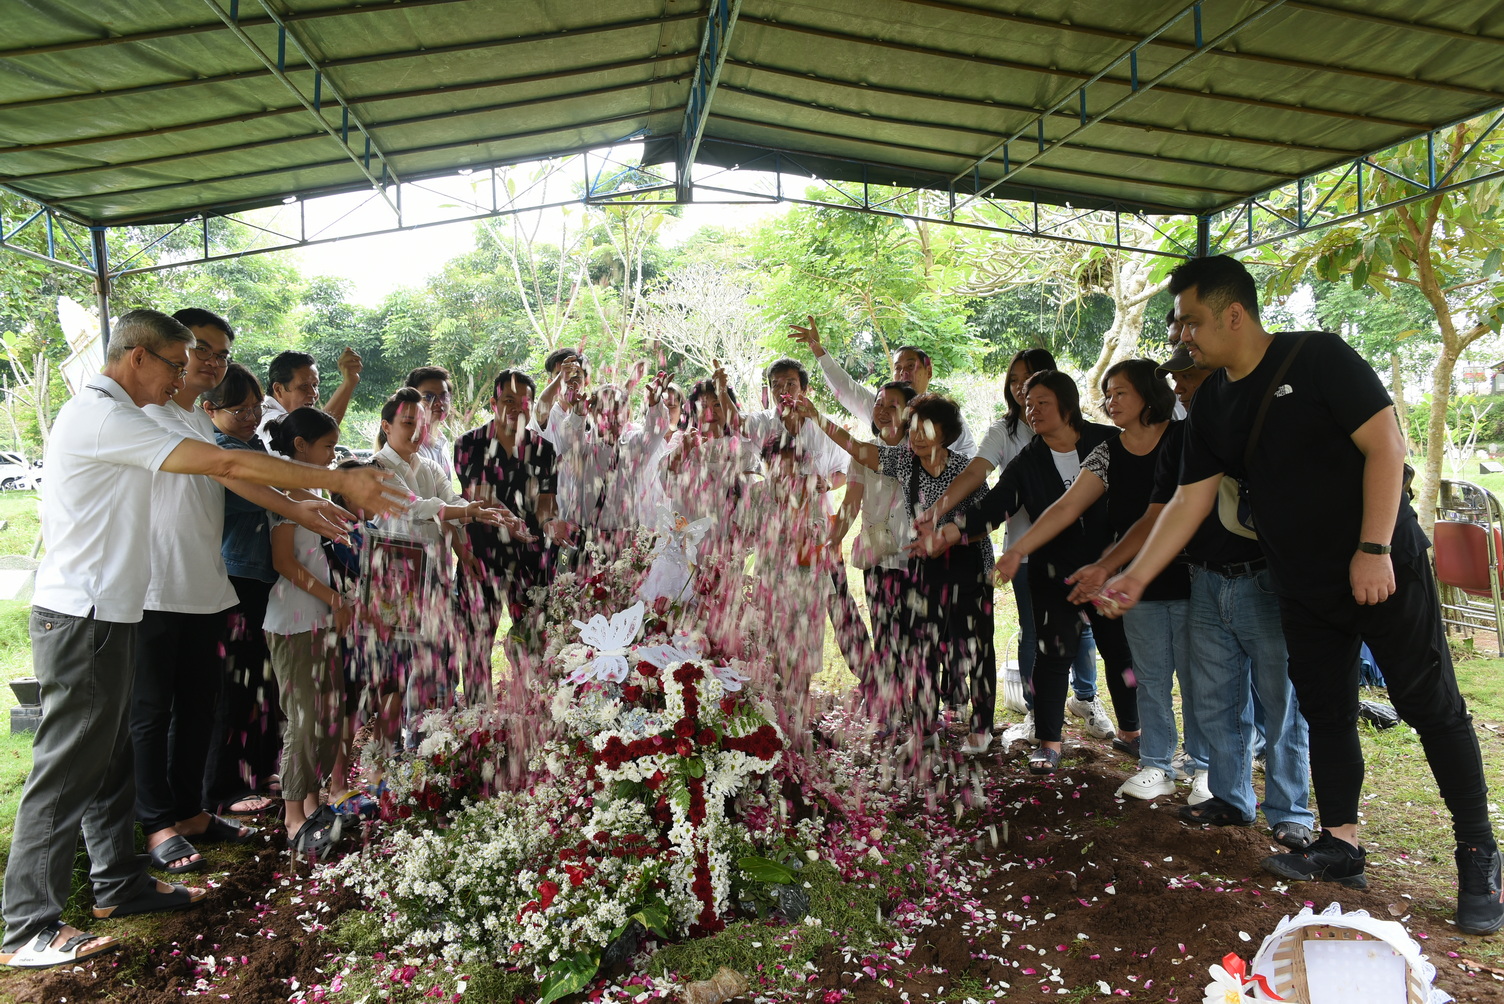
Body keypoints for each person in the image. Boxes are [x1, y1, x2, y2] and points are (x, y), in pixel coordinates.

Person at [1099, 254, 1502, 935]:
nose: (1181, 336)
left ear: (1233, 314)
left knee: (1429, 704)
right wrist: (1137, 574)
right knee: (1326, 709)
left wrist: (1373, 549)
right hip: (1302, 582)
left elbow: (1387, 446)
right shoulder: (1213, 402)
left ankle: (1479, 853)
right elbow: (1189, 501)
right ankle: (1340, 844)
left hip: (1384, 567)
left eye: (1190, 321)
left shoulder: (1319, 358)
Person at [0, 309, 399, 969]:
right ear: (138, 357)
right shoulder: (103, 415)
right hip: (81, 615)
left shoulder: (135, 412)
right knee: (68, 767)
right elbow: (224, 460)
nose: (185, 375)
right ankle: (27, 926)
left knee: (113, 759)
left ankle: (117, 883)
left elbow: (229, 471)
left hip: (113, 611)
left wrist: (305, 505)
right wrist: (337, 479)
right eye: (175, 362)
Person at [136, 310, 357, 876]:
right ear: (164, 352)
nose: (212, 362)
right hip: (155, 588)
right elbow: (237, 471)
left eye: (222, 354)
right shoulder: (147, 416)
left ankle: (193, 811)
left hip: (207, 588)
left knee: (201, 705)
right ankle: (158, 822)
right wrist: (328, 487)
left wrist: (308, 502)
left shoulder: (193, 420)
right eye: (200, 351)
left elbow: (249, 477)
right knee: (155, 713)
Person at [1068, 343, 1313, 848]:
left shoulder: (1256, 420)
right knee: (1217, 697)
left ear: (1222, 374)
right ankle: (1231, 796)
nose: (1179, 386)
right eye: (1175, 378)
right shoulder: (1182, 440)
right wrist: (1118, 569)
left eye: (1189, 376)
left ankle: (1290, 810)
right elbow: (1158, 514)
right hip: (1205, 579)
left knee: (1281, 700)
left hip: (1264, 577)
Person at [987, 360, 1206, 801]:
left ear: (1148, 395)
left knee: (1196, 675)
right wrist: (1017, 550)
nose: (1110, 401)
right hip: (1120, 579)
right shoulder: (1108, 450)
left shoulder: (1182, 439)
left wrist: (1107, 566)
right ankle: (1155, 762)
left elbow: (1160, 515)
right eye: (1107, 394)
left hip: (1184, 572)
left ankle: (1201, 766)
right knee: (1146, 674)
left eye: (1120, 392)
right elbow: (1067, 507)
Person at [920, 370, 1139, 774]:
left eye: (1042, 402)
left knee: (1119, 649)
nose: (1032, 410)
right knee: (1052, 655)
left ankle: (1131, 732)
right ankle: (1050, 742)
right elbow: (994, 506)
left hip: (1109, 567)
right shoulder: (1028, 460)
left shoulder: (1108, 441)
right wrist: (949, 532)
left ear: (1067, 405)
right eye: (1027, 403)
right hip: (1052, 571)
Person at [805, 393, 995, 753]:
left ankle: (981, 728)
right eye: (913, 428)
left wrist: (950, 536)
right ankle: (924, 730)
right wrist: (817, 417)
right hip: (926, 565)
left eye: (926, 428)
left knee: (975, 646)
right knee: (924, 650)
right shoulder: (905, 462)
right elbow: (859, 449)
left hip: (970, 566)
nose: (917, 436)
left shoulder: (964, 469)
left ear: (945, 433)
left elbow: (986, 521)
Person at [372, 387, 520, 713]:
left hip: (435, 577)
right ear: (386, 426)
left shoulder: (428, 466)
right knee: (400, 672)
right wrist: (472, 512)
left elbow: (453, 501)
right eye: (408, 423)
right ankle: (402, 739)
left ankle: (437, 731)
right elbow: (414, 507)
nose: (416, 432)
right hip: (398, 582)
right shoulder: (377, 467)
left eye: (421, 424)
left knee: (440, 662)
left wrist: (485, 510)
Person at [201, 363, 282, 816]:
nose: (252, 418)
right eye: (240, 410)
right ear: (209, 409)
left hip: (262, 577)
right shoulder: (218, 450)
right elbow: (258, 492)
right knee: (235, 684)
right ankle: (221, 787)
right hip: (236, 578)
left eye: (256, 409)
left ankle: (260, 767)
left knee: (263, 681)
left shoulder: (254, 444)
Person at [454, 369, 565, 690]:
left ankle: (532, 706)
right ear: (494, 404)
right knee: (476, 643)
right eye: (508, 401)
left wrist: (551, 522)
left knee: (534, 641)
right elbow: (480, 496)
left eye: (524, 402)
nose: (517, 408)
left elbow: (546, 503)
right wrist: (511, 521)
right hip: (481, 557)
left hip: (531, 559)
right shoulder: (469, 444)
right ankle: (476, 714)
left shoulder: (543, 449)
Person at [832, 380, 919, 711]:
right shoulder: (863, 452)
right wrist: (832, 540)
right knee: (883, 632)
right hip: (876, 557)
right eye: (879, 403)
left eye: (892, 405)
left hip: (915, 558)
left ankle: (917, 707)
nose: (882, 410)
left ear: (909, 412)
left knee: (912, 636)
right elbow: (851, 502)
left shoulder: (919, 451)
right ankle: (888, 705)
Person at [789, 316, 977, 455]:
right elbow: (846, 389)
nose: (903, 373)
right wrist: (817, 349)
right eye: (898, 368)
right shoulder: (881, 408)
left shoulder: (946, 415)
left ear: (929, 371)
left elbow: (969, 463)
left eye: (911, 366)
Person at [549, 373, 671, 556]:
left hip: (624, 541)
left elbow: (657, 428)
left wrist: (655, 404)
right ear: (591, 413)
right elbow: (568, 437)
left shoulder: (636, 446)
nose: (610, 414)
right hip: (584, 538)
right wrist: (577, 414)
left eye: (617, 408)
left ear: (627, 414)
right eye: (603, 408)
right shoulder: (582, 446)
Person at [257, 347, 362, 444]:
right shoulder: (271, 423)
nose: (313, 393)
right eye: (304, 386)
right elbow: (317, 437)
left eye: (315, 385)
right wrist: (348, 383)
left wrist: (350, 382)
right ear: (278, 389)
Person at [405, 365, 456, 482]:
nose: (439, 403)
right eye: (429, 397)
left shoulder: (441, 440)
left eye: (444, 396)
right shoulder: (409, 445)